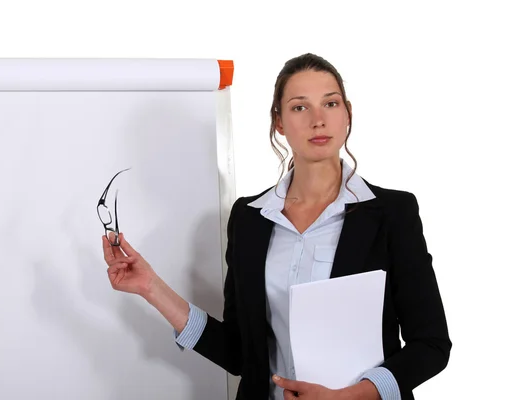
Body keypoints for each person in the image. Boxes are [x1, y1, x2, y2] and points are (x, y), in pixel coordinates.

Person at [102, 53, 451, 400]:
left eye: (330, 104)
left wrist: (354, 395)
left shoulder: (393, 213)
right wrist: (151, 287)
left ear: (347, 114)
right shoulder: (249, 219)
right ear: (279, 122)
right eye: (300, 107)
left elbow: (431, 344)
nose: (318, 120)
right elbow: (240, 353)